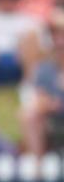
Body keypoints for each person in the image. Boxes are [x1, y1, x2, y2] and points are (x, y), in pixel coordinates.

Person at [21, 9, 64, 155]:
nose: (60, 40)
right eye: (56, 35)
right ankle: (37, 167)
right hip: (53, 119)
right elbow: (41, 99)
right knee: (29, 115)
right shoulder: (45, 69)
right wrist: (50, 104)